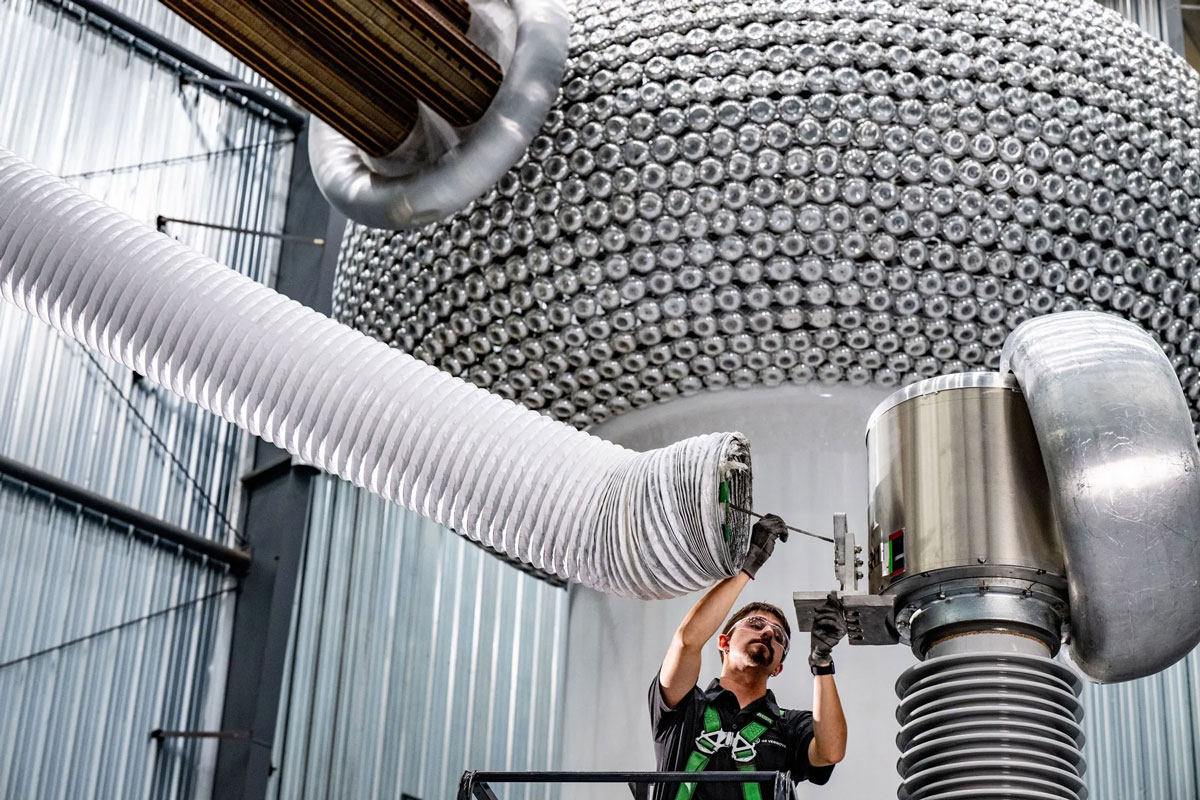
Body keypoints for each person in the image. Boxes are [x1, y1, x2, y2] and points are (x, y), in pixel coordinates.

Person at [643, 514, 848, 800]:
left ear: (778, 668)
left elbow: (830, 751)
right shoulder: (684, 709)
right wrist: (746, 568)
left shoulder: (788, 725)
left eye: (779, 637)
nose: (767, 633)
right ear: (724, 642)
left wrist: (822, 662)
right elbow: (687, 642)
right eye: (755, 625)